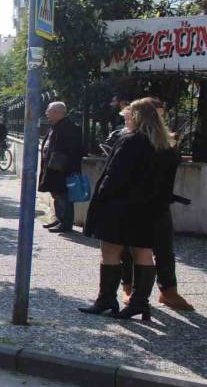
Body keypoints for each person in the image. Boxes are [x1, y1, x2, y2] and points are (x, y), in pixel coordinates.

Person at [81, 98, 179, 320]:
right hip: (151, 208)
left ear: (136, 117)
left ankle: (106, 299)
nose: (125, 121)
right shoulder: (168, 145)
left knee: (110, 252)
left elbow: (114, 176)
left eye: (127, 117)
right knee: (143, 252)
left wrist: (101, 199)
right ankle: (139, 303)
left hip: (121, 206)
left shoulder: (130, 141)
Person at [117, 98, 195, 311]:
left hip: (157, 203)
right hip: (135, 203)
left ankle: (168, 291)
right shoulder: (125, 138)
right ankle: (129, 288)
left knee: (164, 249)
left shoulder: (168, 142)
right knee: (130, 249)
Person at [38, 102, 84, 233]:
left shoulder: (69, 128)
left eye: (49, 111)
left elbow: (70, 151)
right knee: (56, 195)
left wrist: (60, 167)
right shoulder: (56, 126)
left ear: (58, 113)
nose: (46, 113)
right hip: (53, 168)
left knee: (63, 196)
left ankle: (65, 223)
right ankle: (59, 219)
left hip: (62, 170)